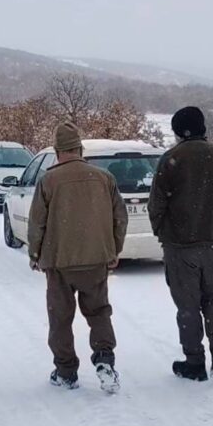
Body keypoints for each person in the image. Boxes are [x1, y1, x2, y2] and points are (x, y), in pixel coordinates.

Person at [147, 106, 213, 381]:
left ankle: (194, 362)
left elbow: (156, 205)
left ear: (179, 131)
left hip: (182, 246)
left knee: (188, 306)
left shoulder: (172, 159)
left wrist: (162, 233)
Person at [28, 122, 128, 393]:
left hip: (59, 262)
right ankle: (105, 361)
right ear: (80, 148)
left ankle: (65, 370)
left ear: (57, 151)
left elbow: (37, 222)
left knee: (60, 317)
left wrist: (35, 254)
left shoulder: (48, 180)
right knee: (98, 312)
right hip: (95, 259)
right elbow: (120, 217)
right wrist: (113, 250)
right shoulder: (104, 178)